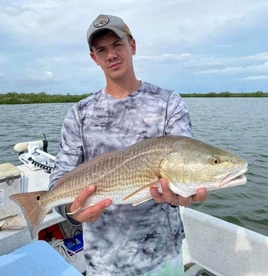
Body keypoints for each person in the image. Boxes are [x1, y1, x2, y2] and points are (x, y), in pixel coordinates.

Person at [49, 14, 207, 276]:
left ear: (132, 45)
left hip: (162, 257)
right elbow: (59, 179)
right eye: (102, 49)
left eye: (117, 44)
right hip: (104, 261)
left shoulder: (169, 103)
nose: (111, 54)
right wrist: (71, 212)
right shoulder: (80, 113)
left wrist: (186, 193)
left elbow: (185, 161)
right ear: (94, 58)